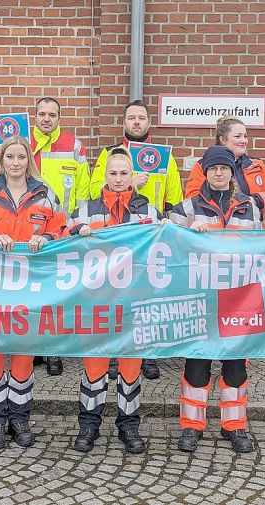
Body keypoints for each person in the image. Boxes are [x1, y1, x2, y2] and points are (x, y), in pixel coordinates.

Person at [0, 137, 66, 449]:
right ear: (1, 159)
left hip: (31, 290)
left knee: (23, 357)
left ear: (28, 160)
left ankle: (19, 419)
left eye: (22, 156)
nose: (16, 162)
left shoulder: (46, 194)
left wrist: (47, 237)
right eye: (10, 157)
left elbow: (63, 230)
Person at [168, 146, 265, 454]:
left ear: (231, 172)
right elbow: (166, 243)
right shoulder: (187, 208)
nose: (219, 173)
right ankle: (191, 427)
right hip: (201, 298)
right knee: (197, 365)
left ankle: (234, 427)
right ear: (205, 172)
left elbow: (263, 247)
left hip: (239, 299)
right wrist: (187, 233)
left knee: (235, 367)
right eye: (213, 169)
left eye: (224, 168)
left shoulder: (249, 206)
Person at [69, 150, 160, 454]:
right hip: (97, 300)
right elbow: (62, 233)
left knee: (130, 367)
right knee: (94, 366)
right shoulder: (86, 210)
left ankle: (129, 425)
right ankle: (89, 424)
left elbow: (167, 242)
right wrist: (74, 231)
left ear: (132, 176)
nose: (119, 180)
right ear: (104, 176)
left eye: (124, 174)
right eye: (113, 174)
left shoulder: (148, 209)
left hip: (134, 301)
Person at [88, 100, 184, 380]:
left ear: (148, 123)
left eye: (141, 118)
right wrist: (131, 184)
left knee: (147, 301)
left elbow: (175, 198)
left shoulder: (164, 156)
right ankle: (116, 355)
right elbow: (94, 190)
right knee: (115, 300)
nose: (137, 122)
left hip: (149, 238)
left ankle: (148, 355)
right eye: (132, 118)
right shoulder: (110, 154)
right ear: (124, 123)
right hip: (113, 236)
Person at [31, 97, 90, 376]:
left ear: (59, 118)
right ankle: (32, 348)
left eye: (52, 115)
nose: (46, 119)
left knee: (56, 294)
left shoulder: (74, 146)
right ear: (35, 116)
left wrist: (74, 223)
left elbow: (83, 190)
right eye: (42, 114)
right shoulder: (22, 143)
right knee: (30, 292)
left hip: (61, 230)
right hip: (28, 228)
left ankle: (53, 351)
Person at [183, 116, 265, 213]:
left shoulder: (256, 165)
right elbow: (192, 198)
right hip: (216, 226)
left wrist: (255, 200)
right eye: (238, 136)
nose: (244, 141)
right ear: (223, 139)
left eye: (245, 136)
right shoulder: (204, 165)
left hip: (252, 227)